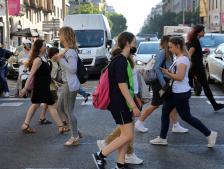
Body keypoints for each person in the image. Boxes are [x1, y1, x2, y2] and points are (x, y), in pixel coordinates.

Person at [150, 36, 218, 148]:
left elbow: (180, 77)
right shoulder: (180, 58)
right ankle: (162, 138)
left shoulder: (182, 59)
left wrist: (167, 73)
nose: (169, 49)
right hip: (177, 91)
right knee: (165, 112)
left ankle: (210, 134)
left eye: (171, 47)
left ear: (178, 46)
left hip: (180, 93)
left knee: (186, 117)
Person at [92, 32, 140, 169]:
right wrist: (133, 106)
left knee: (126, 134)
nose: (135, 46)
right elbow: (122, 84)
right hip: (119, 104)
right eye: (134, 43)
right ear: (127, 44)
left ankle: (120, 163)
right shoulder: (120, 61)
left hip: (121, 103)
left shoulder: (121, 59)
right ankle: (100, 155)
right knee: (128, 135)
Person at [135, 35, 189, 133]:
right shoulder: (163, 52)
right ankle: (139, 122)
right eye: (170, 43)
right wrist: (163, 83)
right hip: (160, 84)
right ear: (167, 42)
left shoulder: (168, 53)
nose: (171, 45)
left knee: (171, 104)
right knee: (155, 104)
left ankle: (175, 125)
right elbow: (157, 68)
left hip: (165, 83)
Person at [19, 39, 68, 134]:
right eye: (44, 46)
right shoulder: (38, 60)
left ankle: (25, 124)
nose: (46, 47)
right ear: (39, 48)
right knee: (51, 105)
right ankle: (61, 126)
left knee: (36, 104)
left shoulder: (43, 58)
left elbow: (46, 75)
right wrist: (25, 88)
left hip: (44, 86)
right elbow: (31, 74)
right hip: (41, 87)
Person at [187, 24, 224, 111]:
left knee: (187, 85)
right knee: (204, 86)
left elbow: (193, 53)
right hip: (196, 67)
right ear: (199, 32)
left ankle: (176, 104)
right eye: (203, 31)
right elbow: (189, 53)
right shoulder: (195, 41)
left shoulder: (192, 40)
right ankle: (215, 105)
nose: (204, 32)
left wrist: (201, 52)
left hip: (194, 67)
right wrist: (188, 63)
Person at [56, 27, 82, 146]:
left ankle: (75, 137)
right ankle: (75, 130)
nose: (59, 36)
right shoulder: (66, 50)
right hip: (68, 83)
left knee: (68, 110)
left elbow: (73, 69)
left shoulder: (70, 51)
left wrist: (61, 60)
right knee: (59, 108)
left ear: (65, 36)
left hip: (70, 85)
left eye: (60, 34)